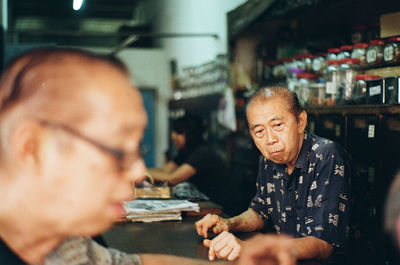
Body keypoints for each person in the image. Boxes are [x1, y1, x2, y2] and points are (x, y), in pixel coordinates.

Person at [0, 47, 299, 265]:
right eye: (118, 151)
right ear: (32, 148)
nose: (137, 171)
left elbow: (133, 263)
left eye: (137, 152)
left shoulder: (62, 243)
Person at [195, 86, 351, 261]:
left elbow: (323, 245)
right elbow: (260, 211)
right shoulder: (269, 159)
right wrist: (228, 224)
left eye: (277, 125)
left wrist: (250, 247)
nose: (270, 140)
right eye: (259, 131)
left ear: (300, 121)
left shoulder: (327, 155)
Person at [148, 115, 230, 208]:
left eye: (178, 132)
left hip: (219, 206)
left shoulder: (202, 152)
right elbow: (166, 170)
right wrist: (140, 171)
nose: (173, 136)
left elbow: (173, 179)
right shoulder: (186, 151)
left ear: (191, 134)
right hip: (201, 201)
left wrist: (139, 172)